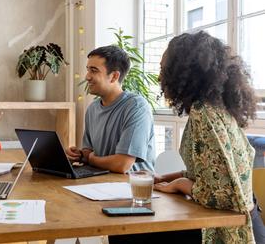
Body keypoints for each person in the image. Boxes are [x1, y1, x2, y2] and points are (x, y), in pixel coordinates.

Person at [154, 31, 265, 243]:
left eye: (164, 69)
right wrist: (165, 178)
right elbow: (212, 170)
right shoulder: (216, 108)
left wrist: (180, 184)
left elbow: (225, 194)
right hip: (245, 221)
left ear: (182, 72)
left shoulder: (203, 113)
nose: (161, 76)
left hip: (235, 231)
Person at [65, 45, 155, 173]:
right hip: (99, 183)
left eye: (94, 70)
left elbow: (122, 164)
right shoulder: (92, 109)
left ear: (114, 76)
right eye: (88, 70)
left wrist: (90, 159)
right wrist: (79, 155)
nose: (87, 77)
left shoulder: (136, 107)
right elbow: (88, 152)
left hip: (131, 188)